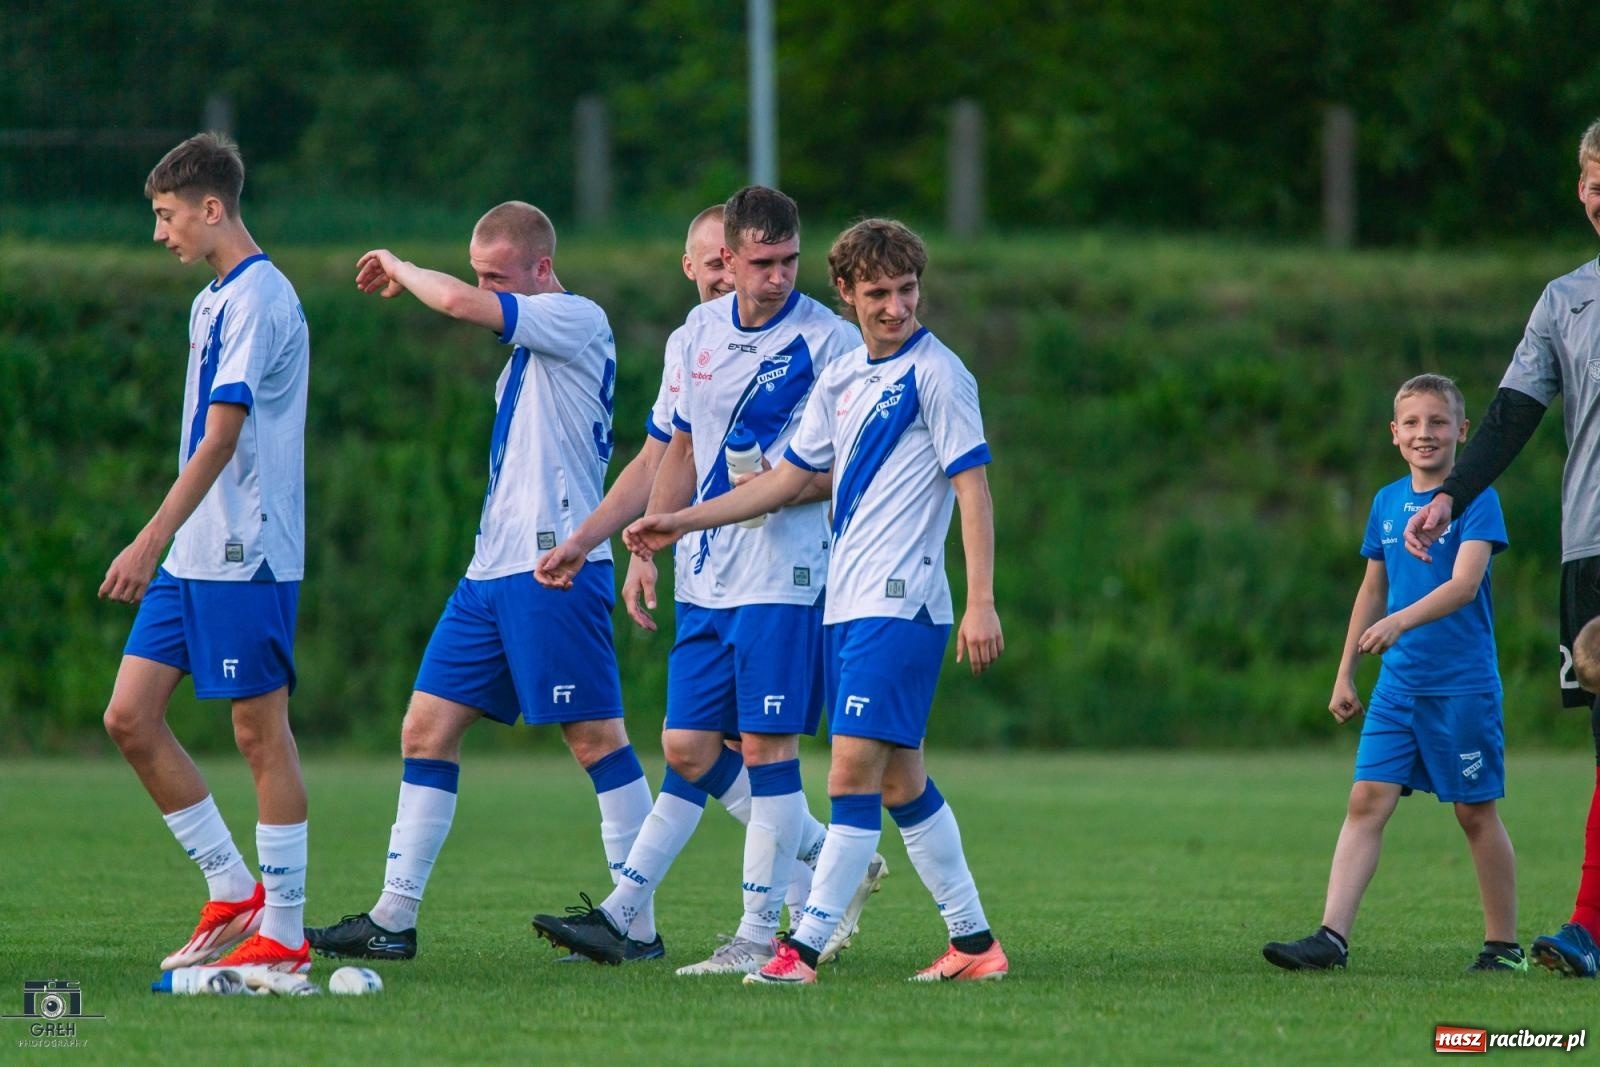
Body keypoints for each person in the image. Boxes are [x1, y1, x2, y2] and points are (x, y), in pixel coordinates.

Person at [623, 218, 1008, 985]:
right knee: (900, 781)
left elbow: (973, 487)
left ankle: (800, 949)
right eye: (878, 294)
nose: (895, 307)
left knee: (849, 774)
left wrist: (982, 599)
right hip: (846, 604)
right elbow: (787, 480)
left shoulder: (938, 373)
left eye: (906, 291)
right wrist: (681, 517)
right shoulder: (842, 378)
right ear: (847, 294)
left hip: (901, 604)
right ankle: (973, 943)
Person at [303, 201, 660, 962]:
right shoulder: (526, 357)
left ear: (540, 268)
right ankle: (392, 918)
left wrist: (400, 265)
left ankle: (637, 920)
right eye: (480, 275)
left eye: (499, 276)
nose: (485, 290)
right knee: (424, 728)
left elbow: (461, 304)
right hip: (489, 573)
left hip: (550, 568)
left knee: (595, 737)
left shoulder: (573, 316)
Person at [533, 187, 876, 975]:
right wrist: (651, 540)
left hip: (785, 575)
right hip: (708, 576)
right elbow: (679, 450)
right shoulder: (697, 334)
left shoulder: (828, 343)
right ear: (726, 257)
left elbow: (837, 473)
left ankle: (757, 935)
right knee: (687, 745)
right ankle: (815, 864)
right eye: (762, 263)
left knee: (763, 746)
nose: (778, 277)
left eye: (789, 261)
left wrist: (769, 489)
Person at [100, 132, 313, 973]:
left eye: (166, 214)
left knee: (260, 733)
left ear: (212, 207)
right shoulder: (211, 300)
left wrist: (147, 537)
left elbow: (223, 439)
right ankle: (233, 887)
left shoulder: (263, 298)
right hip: (193, 552)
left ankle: (286, 933)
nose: (160, 233)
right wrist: (169, 542)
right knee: (129, 715)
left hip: (243, 549)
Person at [1405, 120, 1600, 978]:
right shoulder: (1566, 299)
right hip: (1592, 544)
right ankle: (1590, 928)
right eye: (1592, 179)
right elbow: (1511, 415)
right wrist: (1451, 494)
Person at [1265, 374, 1519, 973]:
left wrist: (1400, 623)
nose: (1424, 433)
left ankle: (1504, 948)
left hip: (1461, 684)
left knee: (1473, 811)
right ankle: (1332, 938)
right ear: (1394, 435)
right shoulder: (1385, 503)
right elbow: (1372, 588)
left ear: (1462, 432)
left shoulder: (1477, 498)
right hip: (1399, 684)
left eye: (1437, 422)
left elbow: (1462, 586)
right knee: (1366, 800)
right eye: (1411, 423)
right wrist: (1345, 672)